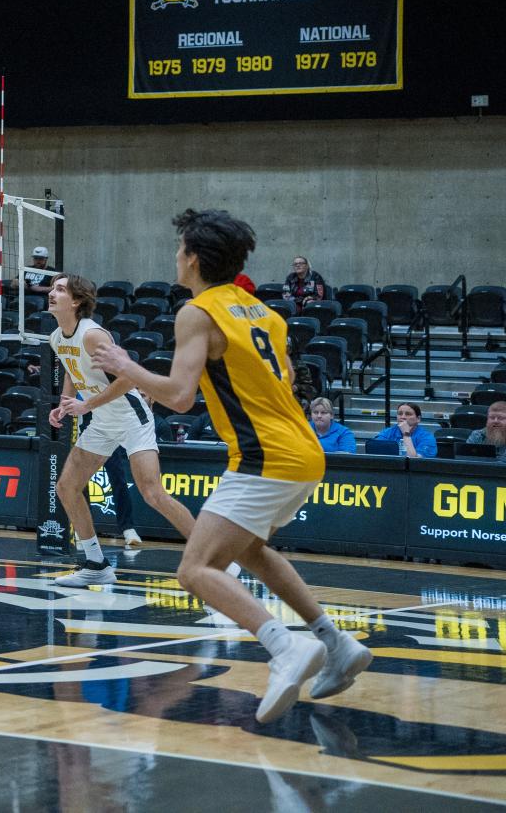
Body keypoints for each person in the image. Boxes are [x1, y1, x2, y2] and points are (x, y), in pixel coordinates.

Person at [94, 209, 372, 722]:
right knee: (255, 552)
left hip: (265, 456)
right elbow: (281, 384)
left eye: (180, 249)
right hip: (304, 452)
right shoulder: (265, 313)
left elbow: (179, 397)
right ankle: (337, 644)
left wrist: (125, 367)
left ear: (194, 258)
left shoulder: (197, 312)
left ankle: (284, 647)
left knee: (195, 569)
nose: (175, 257)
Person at [44, 274, 196, 588]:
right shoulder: (57, 337)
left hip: (130, 415)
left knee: (153, 493)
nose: (51, 293)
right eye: (52, 288)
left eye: (59, 289)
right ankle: (96, 563)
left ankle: (214, 559)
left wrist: (85, 406)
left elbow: (128, 379)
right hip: (102, 420)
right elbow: (73, 371)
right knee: (67, 487)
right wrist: (65, 402)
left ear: (75, 301)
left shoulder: (93, 335)